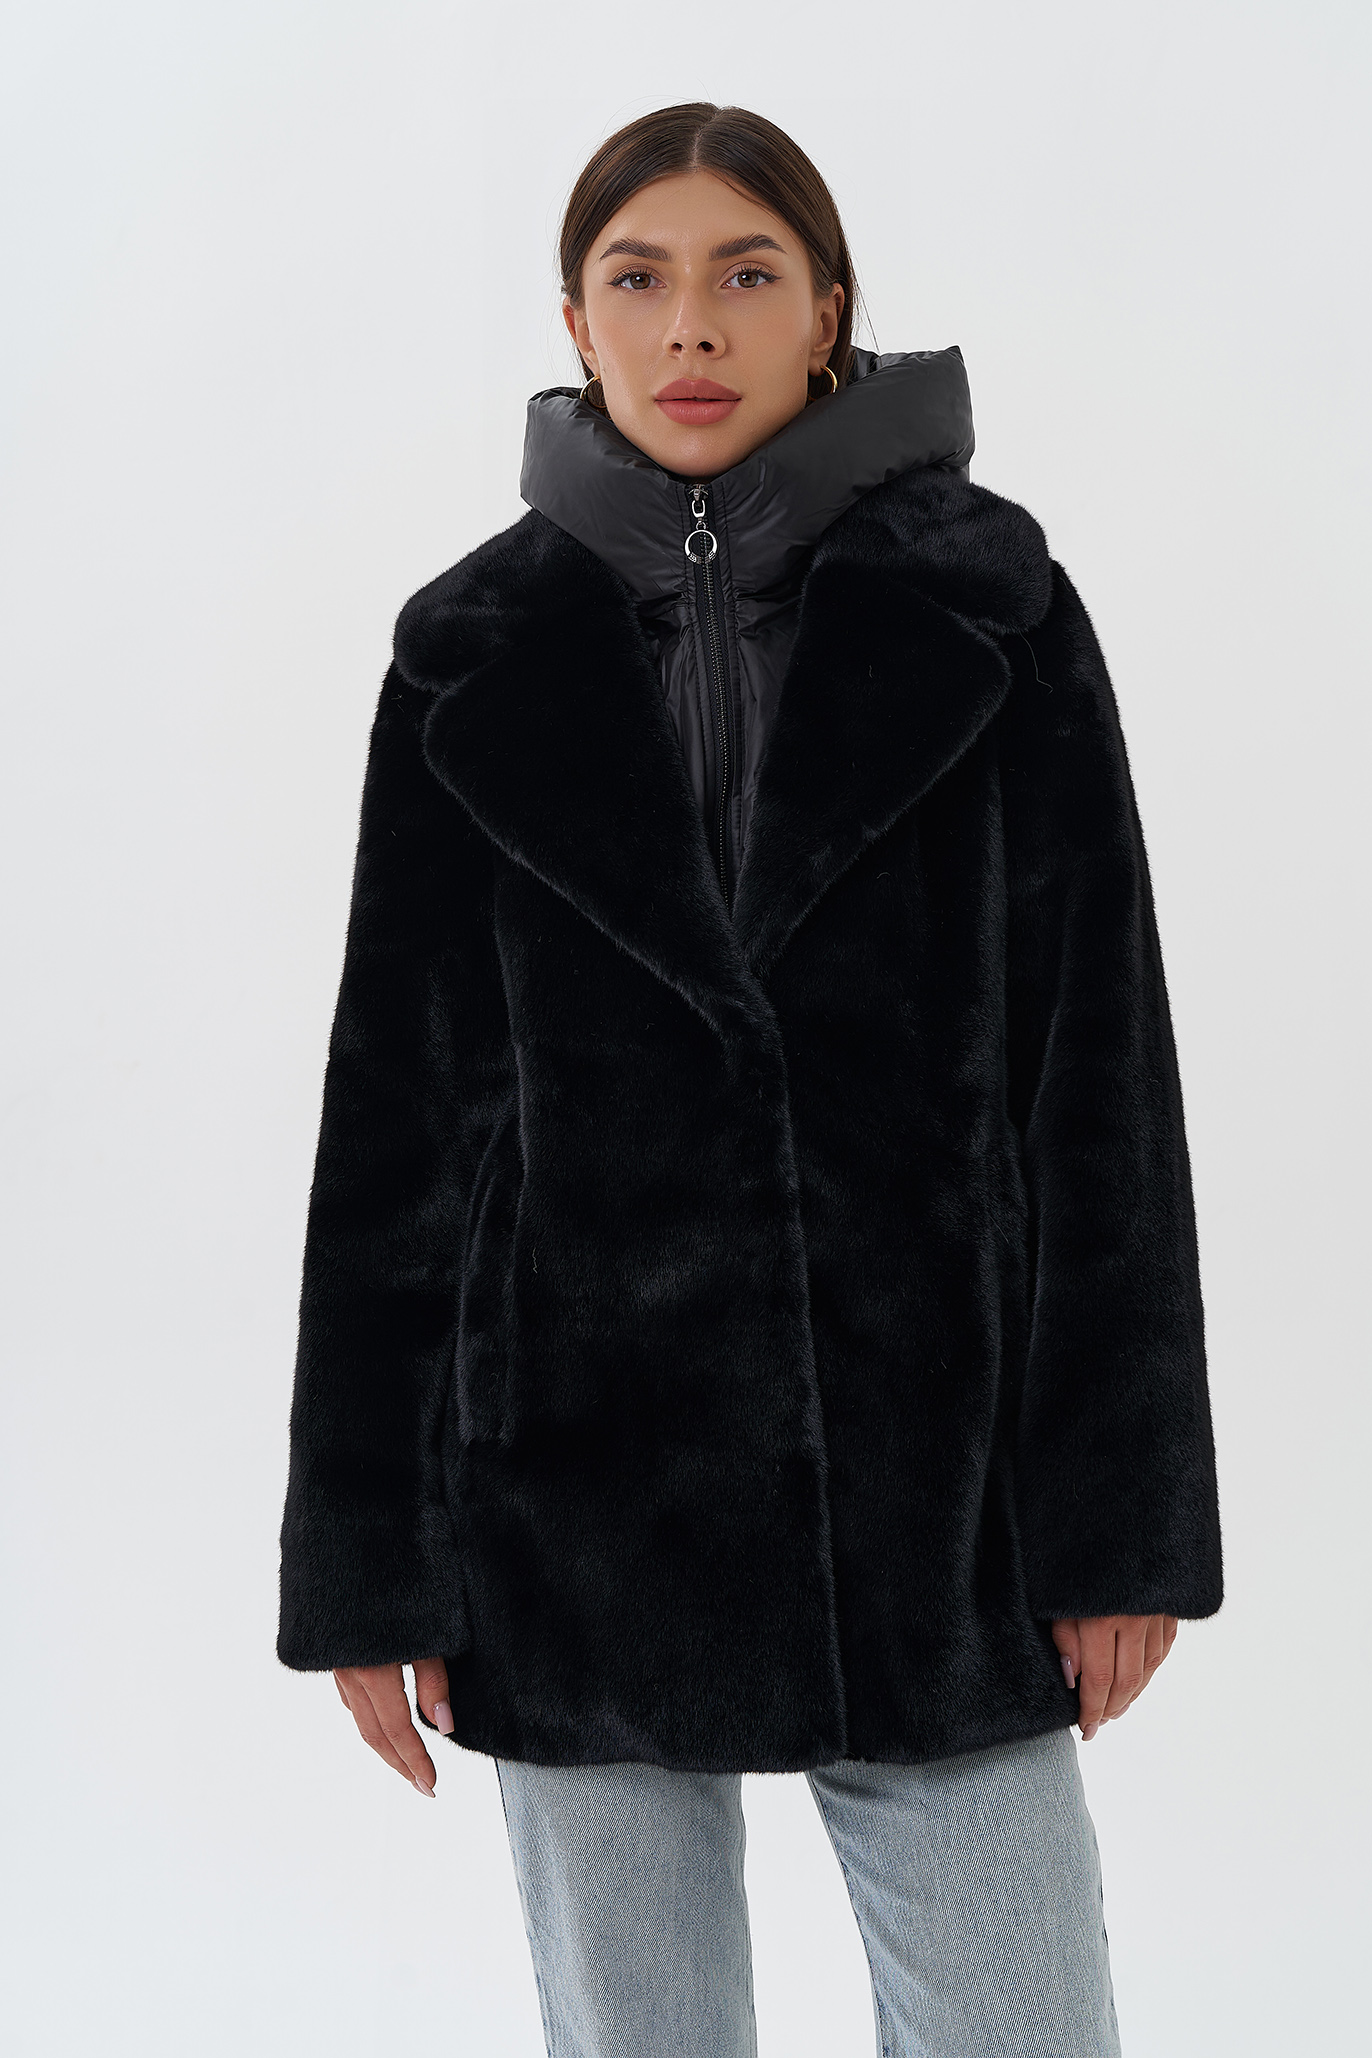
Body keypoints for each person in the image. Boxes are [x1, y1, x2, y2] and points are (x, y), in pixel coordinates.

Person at [277, 102, 1223, 2058]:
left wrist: (1118, 1526)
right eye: (638, 279)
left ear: (826, 311)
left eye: (745, 273)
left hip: (933, 1489)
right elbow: (396, 1134)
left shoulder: (994, 617)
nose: (690, 324)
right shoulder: (468, 659)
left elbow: (1100, 1089)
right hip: (569, 1489)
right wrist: (371, 1561)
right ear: (575, 321)